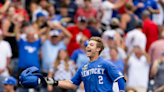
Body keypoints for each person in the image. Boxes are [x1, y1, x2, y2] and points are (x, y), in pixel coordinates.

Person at [44, 36, 126, 92]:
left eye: (91, 45)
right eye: (87, 45)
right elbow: (72, 84)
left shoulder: (106, 63)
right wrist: (54, 82)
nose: (87, 47)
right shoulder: (83, 67)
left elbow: (120, 78)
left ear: (98, 48)